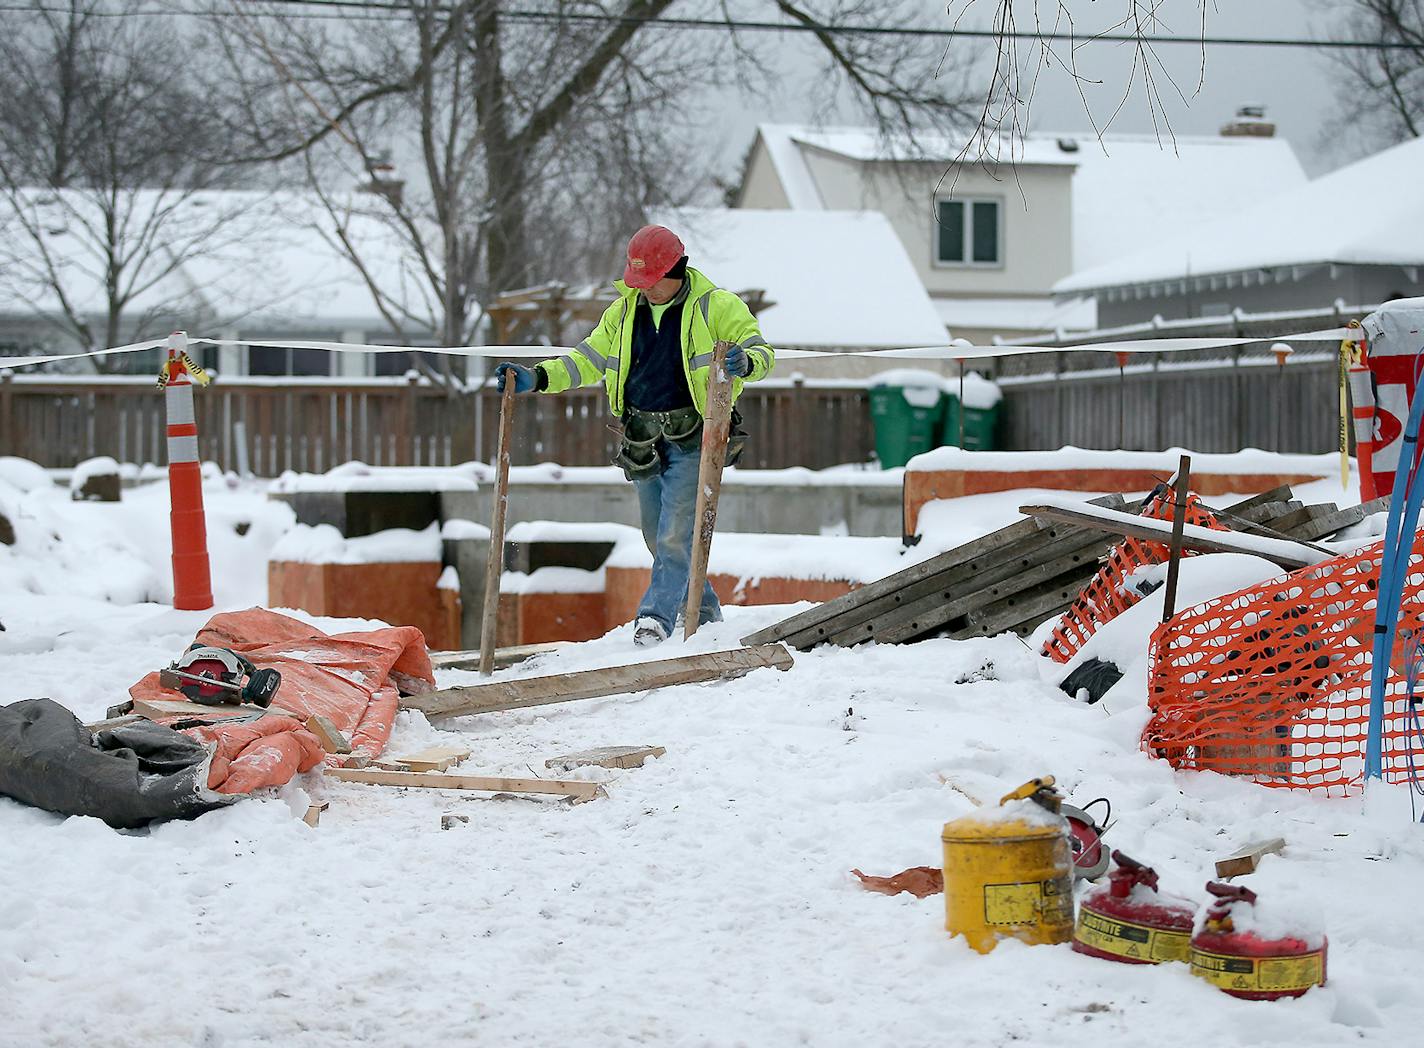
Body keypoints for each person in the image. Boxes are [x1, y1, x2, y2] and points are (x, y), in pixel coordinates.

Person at [494, 225, 775, 646]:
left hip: (695, 437)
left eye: (652, 281)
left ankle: (655, 619)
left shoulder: (717, 306)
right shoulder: (623, 312)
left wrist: (746, 363)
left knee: (675, 534)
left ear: (676, 269)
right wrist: (536, 377)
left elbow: (762, 352)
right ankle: (707, 615)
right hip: (642, 440)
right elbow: (585, 360)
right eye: (638, 282)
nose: (645, 290)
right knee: (653, 535)